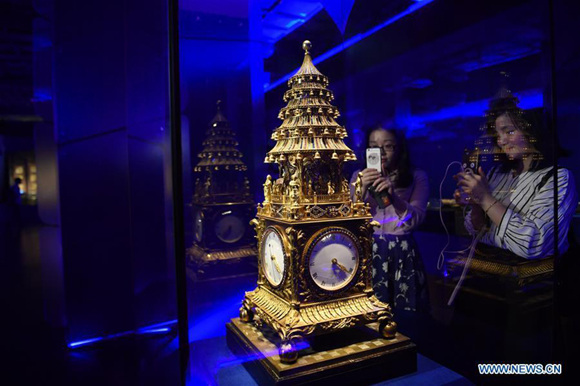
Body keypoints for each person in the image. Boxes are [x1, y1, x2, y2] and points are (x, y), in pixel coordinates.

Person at [456, 93, 577, 259]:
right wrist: (476, 202)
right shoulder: (496, 174)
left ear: (532, 130)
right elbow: (477, 230)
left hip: (536, 281)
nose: (501, 141)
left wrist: (485, 198)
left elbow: (534, 244)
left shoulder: (558, 178)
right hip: (491, 270)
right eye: (497, 135)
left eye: (509, 131)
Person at [350, 125, 429, 312]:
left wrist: (394, 197)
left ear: (399, 147)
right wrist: (360, 191)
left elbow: (416, 219)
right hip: (369, 248)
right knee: (369, 310)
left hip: (401, 250)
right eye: (373, 146)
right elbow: (348, 219)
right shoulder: (357, 176)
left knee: (405, 312)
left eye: (388, 146)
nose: (381, 152)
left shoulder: (416, 176)